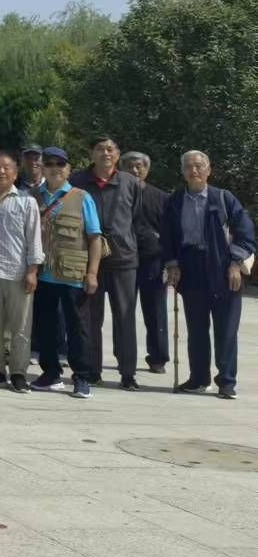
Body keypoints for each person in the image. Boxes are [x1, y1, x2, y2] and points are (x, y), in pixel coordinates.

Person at [161, 150, 252, 399]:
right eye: (189, 166)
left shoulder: (224, 198)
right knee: (197, 329)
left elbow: (245, 233)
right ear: (183, 172)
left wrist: (235, 264)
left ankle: (227, 382)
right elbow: (167, 237)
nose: (194, 170)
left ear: (209, 170)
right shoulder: (175, 201)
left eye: (199, 166)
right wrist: (172, 264)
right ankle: (198, 379)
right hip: (191, 268)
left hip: (223, 269)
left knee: (226, 330)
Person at [31, 147, 103, 399]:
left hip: (73, 275)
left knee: (78, 328)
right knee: (46, 327)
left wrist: (92, 273)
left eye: (60, 164)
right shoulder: (32, 197)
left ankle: (82, 377)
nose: (54, 169)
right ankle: (50, 373)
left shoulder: (82, 197)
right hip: (43, 275)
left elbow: (95, 238)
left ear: (68, 169)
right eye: (49, 164)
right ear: (42, 168)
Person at [72, 137, 141, 390]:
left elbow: (136, 217)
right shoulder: (78, 182)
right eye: (100, 149)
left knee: (125, 316)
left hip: (123, 259)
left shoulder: (130, 182)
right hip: (89, 260)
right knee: (90, 318)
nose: (105, 153)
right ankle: (92, 370)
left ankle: (128, 373)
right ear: (92, 153)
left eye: (110, 149)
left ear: (118, 154)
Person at [0, 150, 43, 392]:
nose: (1, 171)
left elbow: (34, 239)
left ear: (15, 173)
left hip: (18, 273)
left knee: (20, 327)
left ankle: (19, 372)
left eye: (6, 167)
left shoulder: (26, 201)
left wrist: (32, 271)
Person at [123, 150, 171, 375]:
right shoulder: (117, 193)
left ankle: (158, 357)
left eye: (139, 166)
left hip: (154, 261)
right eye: (129, 166)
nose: (134, 170)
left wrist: (170, 262)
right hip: (123, 260)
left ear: (147, 169)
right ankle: (124, 355)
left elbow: (170, 232)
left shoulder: (161, 197)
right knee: (124, 310)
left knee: (155, 310)